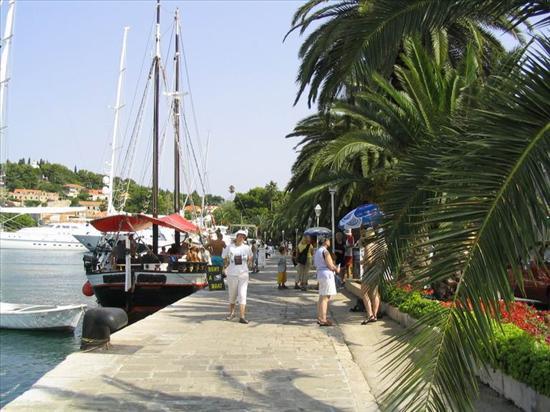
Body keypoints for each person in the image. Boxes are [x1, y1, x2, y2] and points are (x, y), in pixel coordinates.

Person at [222, 229, 253, 324]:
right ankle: (232, 313)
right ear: (236, 237)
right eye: (240, 236)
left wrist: (249, 263)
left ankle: (242, 316)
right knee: (232, 295)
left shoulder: (247, 248)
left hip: (243, 274)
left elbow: (250, 256)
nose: (241, 238)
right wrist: (225, 266)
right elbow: (224, 257)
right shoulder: (230, 247)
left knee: (242, 295)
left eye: (243, 236)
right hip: (232, 274)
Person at [314, 237, 340, 326]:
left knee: (322, 296)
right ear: (325, 242)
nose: (329, 241)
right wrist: (336, 269)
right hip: (326, 275)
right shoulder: (325, 251)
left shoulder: (318, 251)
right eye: (328, 240)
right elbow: (330, 265)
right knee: (325, 298)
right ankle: (323, 319)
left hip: (320, 274)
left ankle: (320, 317)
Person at [360, 227, 382, 324]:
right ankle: (375, 315)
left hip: (369, 271)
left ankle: (370, 314)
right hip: (377, 270)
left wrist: (363, 262)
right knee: (374, 293)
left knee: (364, 292)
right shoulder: (379, 246)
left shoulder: (368, 246)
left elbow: (369, 260)